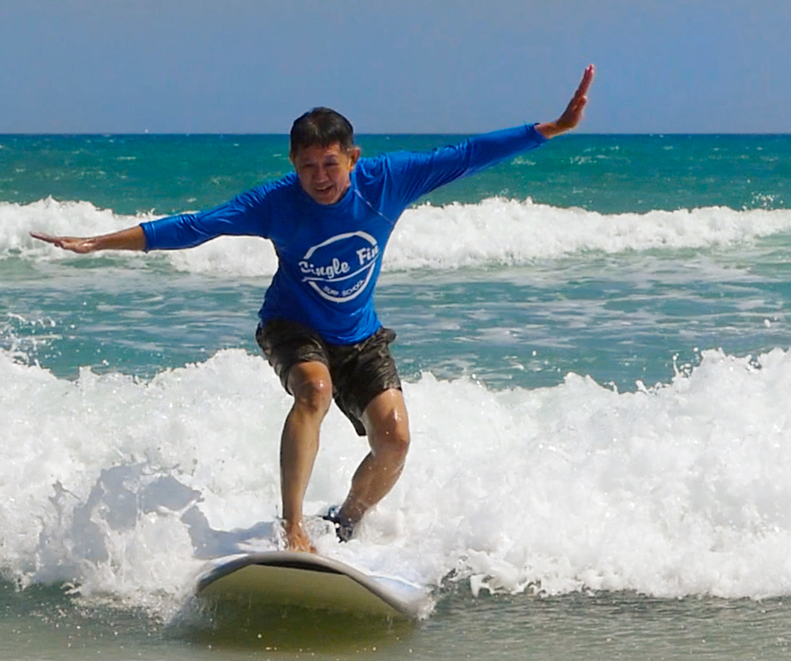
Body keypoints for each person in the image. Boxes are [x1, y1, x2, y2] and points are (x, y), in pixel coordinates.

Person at [33, 65, 595, 553]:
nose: (319, 179)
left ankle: (346, 521)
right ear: (293, 164)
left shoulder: (388, 180)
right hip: (290, 325)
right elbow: (196, 226)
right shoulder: (276, 203)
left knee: (395, 439)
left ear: (353, 157)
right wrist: (100, 241)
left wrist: (550, 129)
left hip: (360, 334)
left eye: (330, 164)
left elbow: (468, 156)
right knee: (315, 392)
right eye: (307, 167)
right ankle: (293, 526)